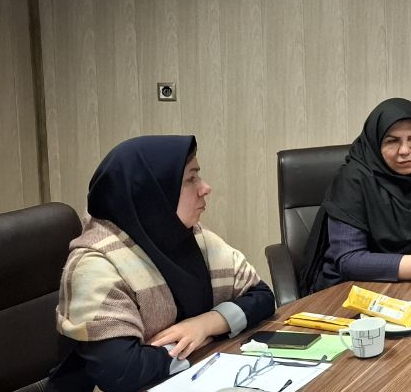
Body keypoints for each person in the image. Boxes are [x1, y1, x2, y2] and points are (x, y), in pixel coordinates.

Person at [48, 136, 275, 391]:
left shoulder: (191, 236)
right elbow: (122, 372)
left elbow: (262, 296)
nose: (205, 187)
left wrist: (205, 325)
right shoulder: (95, 264)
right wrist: (193, 345)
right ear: (152, 192)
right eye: (191, 179)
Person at [299, 98, 411, 294]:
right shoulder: (353, 178)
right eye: (392, 141)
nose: (405, 151)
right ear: (376, 142)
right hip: (356, 290)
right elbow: (348, 260)